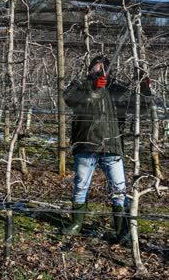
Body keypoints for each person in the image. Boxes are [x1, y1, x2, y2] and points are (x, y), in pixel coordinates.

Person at [62, 55, 129, 242]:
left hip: (112, 145)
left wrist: (144, 88)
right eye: (96, 66)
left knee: (119, 189)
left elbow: (140, 105)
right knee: (81, 186)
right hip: (86, 143)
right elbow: (69, 99)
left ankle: (122, 230)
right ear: (90, 68)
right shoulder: (80, 85)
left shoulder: (116, 89)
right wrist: (94, 88)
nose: (99, 70)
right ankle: (76, 224)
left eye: (103, 67)